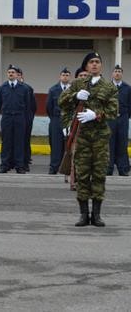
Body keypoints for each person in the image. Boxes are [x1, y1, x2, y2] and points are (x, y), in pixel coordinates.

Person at [59, 52, 118, 227]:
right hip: (82, 136)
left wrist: (96, 115)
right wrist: (75, 96)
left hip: (100, 138)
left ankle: (96, 215)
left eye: (97, 62)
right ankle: (84, 215)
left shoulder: (109, 86)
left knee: (99, 175)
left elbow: (114, 111)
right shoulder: (78, 84)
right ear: (86, 66)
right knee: (82, 175)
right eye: (91, 62)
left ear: (101, 65)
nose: (94, 64)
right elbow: (61, 102)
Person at [0, 64, 30, 174]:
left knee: (19, 142)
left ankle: (19, 166)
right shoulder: (2, 88)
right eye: (9, 72)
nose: (11, 74)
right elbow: (0, 103)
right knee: (6, 142)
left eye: (13, 72)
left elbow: (27, 104)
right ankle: (4, 165)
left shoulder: (24, 88)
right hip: (7, 117)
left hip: (19, 117)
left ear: (17, 75)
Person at [46, 68, 71, 175]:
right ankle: (54, 166)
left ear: (70, 77)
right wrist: (54, 118)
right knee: (56, 144)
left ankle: (67, 167)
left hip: (69, 119)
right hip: (56, 119)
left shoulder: (73, 89)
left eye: (67, 75)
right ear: (60, 77)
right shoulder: (53, 90)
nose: (65, 77)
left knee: (68, 144)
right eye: (63, 75)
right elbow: (49, 107)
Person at [107, 65, 131, 176]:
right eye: (115, 71)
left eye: (119, 71)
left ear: (122, 74)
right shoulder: (107, 87)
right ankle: (108, 168)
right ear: (112, 74)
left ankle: (123, 168)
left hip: (123, 118)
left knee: (122, 143)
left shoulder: (127, 88)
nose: (117, 73)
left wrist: (125, 116)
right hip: (110, 118)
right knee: (109, 142)